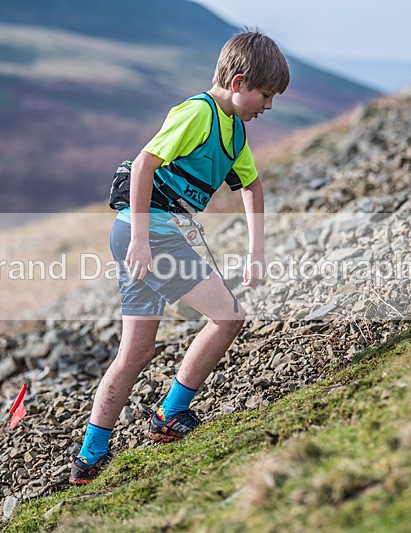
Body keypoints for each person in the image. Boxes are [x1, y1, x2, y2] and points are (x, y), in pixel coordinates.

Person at [69, 30, 290, 485]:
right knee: (228, 318)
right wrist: (142, 240)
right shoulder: (198, 113)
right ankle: (170, 415)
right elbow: (144, 164)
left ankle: (90, 457)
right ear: (239, 83)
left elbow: (251, 185)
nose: (268, 106)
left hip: (144, 234)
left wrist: (256, 251)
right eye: (265, 95)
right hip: (148, 234)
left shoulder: (234, 132)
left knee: (137, 351)